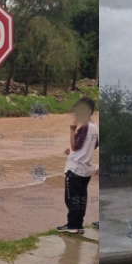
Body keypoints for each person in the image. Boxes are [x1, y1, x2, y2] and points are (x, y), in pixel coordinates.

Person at [57, 96, 97, 234]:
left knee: (71, 199)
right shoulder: (94, 127)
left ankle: (72, 226)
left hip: (74, 169)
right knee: (80, 199)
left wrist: (72, 130)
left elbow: (75, 147)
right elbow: (93, 145)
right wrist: (73, 150)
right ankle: (78, 225)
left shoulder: (84, 127)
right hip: (85, 170)